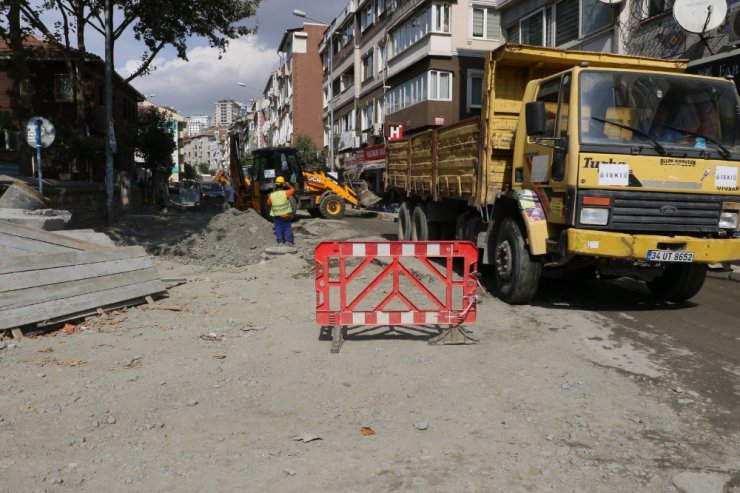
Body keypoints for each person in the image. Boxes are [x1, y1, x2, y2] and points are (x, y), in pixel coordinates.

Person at [268, 176, 295, 245]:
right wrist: (288, 185)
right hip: (285, 215)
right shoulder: (286, 193)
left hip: (276, 215)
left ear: (275, 185)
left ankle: (280, 241)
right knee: (287, 228)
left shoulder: (271, 195)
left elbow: (269, 204)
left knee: (278, 228)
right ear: (283, 185)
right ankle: (288, 241)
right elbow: (293, 190)